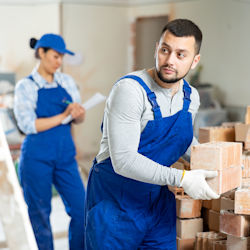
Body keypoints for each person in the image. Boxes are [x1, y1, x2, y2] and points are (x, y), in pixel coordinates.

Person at [84, 19, 220, 249]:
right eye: (165, 50)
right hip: (116, 204)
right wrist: (183, 179)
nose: (169, 61)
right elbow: (124, 161)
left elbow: (181, 141)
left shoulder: (191, 97)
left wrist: (214, 165)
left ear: (195, 61)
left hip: (157, 205)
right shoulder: (130, 91)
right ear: (156, 48)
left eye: (180, 54)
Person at [14, 33, 85, 250]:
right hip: (37, 158)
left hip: (65, 157)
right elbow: (29, 125)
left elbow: (79, 119)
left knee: (82, 209)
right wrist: (64, 114)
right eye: (55, 56)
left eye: (61, 57)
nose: (59, 62)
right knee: (40, 216)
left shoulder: (67, 82)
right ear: (41, 53)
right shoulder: (26, 86)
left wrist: (78, 112)